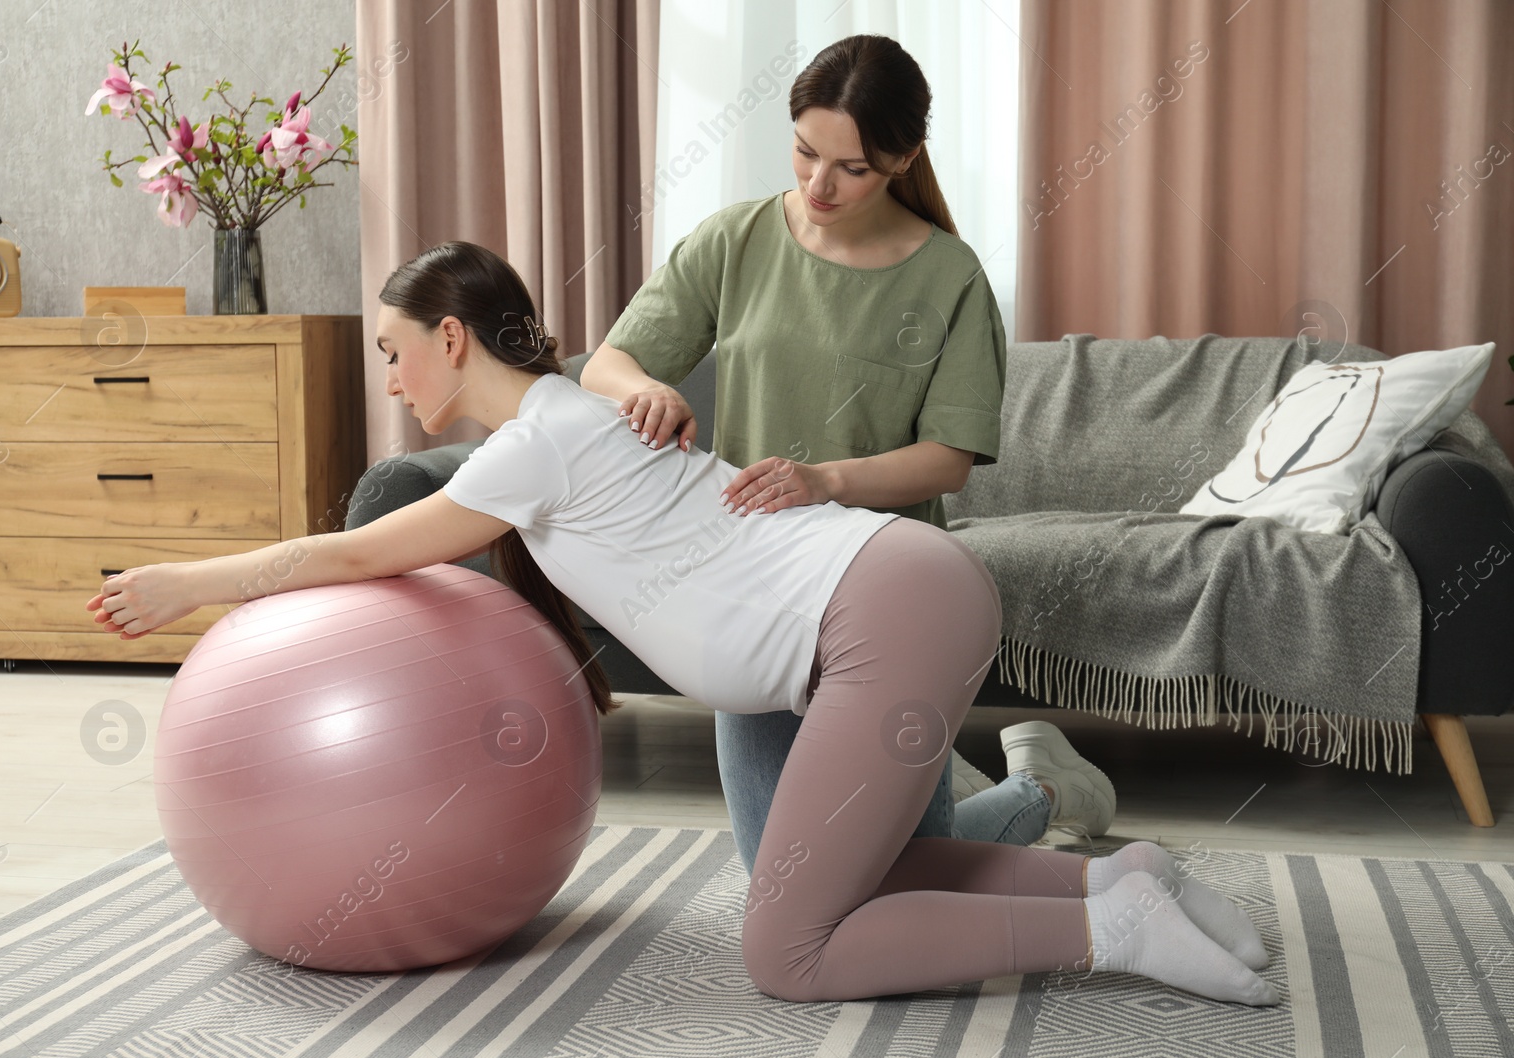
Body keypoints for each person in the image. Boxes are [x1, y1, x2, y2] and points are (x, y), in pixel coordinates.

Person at [85, 241, 1277, 1006]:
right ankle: (1125, 877)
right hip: (897, 596)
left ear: (451, 338)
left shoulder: (537, 443)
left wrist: (191, 579)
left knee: (790, 952)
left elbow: (354, 549)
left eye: (396, 352)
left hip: (878, 606)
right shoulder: (575, 415)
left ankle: (1109, 934)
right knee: (879, 869)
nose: (393, 380)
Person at [578, 33, 1114, 877]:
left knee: (901, 872)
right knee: (788, 882)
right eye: (803, 151)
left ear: (901, 160)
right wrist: (644, 390)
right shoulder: (735, 240)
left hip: (891, 604)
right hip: (756, 596)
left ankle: (1045, 789)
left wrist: (821, 480)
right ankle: (1011, 788)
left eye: (851, 168)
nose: (817, 184)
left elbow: (946, 460)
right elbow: (608, 362)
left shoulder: (951, 278)